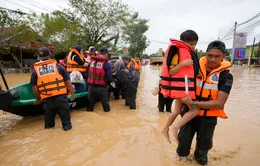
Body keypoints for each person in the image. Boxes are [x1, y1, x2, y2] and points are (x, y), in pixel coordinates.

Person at [169, 41, 233, 165]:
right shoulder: (194, 68)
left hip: (208, 118)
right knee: (181, 149)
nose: (212, 59)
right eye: (209, 55)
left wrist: (194, 103)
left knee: (202, 154)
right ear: (206, 54)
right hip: (189, 114)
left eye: (217, 56)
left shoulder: (226, 76)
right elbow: (176, 78)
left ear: (223, 56)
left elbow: (219, 104)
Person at [161, 30, 200, 143]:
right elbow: (171, 71)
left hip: (184, 89)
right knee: (196, 110)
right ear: (183, 41)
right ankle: (175, 128)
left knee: (176, 111)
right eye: (191, 44)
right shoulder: (178, 52)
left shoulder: (189, 52)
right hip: (183, 90)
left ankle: (165, 129)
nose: (193, 47)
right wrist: (183, 64)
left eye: (194, 44)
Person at [30, 47, 75, 131]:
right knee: (67, 126)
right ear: (50, 56)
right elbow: (68, 83)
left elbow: (34, 87)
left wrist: (38, 98)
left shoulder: (35, 71)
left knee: (48, 127)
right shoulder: (59, 67)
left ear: (39, 58)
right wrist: (72, 94)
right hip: (61, 99)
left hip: (47, 101)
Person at [86, 48, 113, 112]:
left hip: (91, 88)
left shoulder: (91, 62)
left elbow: (87, 74)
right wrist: (107, 85)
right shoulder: (107, 64)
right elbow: (109, 78)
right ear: (106, 54)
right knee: (106, 109)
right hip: (102, 88)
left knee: (90, 107)